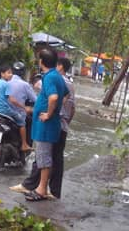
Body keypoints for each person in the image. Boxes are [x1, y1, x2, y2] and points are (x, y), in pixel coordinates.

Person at [15, 49, 67, 202]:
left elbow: (54, 97)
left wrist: (49, 113)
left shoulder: (49, 77)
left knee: (44, 157)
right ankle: (42, 188)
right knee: (46, 157)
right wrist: (54, 110)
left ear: (41, 62)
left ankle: (41, 189)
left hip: (46, 124)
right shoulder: (58, 76)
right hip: (51, 123)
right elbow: (65, 95)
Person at [49, 57, 74, 199]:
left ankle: (36, 186)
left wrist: (48, 115)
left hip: (53, 121)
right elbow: (73, 108)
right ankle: (54, 191)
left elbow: (51, 100)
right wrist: (66, 122)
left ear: (59, 67)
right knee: (57, 158)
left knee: (45, 154)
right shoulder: (70, 84)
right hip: (63, 124)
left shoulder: (56, 80)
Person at [6, 61, 36, 152]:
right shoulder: (25, 85)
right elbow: (36, 100)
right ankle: (25, 144)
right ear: (23, 73)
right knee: (28, 121)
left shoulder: (3, 82)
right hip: (15, 114)